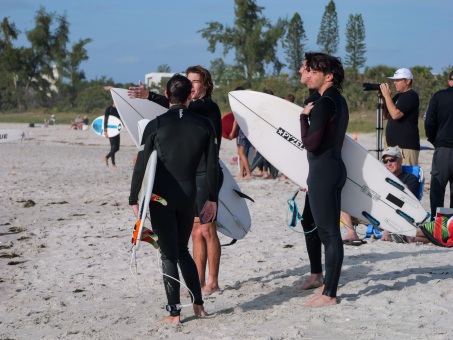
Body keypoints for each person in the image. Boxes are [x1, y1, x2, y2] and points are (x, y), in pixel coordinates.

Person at [129, 74, 219, 323]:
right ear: (191, 94)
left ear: (167, 96)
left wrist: (133, 198)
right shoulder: (204, 125)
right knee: (182, 250)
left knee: (168, 254)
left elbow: (141, 166)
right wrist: (212, 199)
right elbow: (212, 167)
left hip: (161, 198)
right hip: (189, 196)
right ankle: (198, 305)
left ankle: (174, 312)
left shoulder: (155, 125)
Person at [300, 52, 349, 307]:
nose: (308, 76)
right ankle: (326, 289)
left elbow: (310, 143)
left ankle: (329, 293)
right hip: (332, 168)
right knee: (329, 233)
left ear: (328, 76)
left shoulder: (323, 103)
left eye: (314, 72)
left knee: (329, 234)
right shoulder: (338, 100)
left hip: (323, 172)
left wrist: (302, 118)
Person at [424, 70, 453, 220]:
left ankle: (437, 222)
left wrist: (435, 140)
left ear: (449, 81)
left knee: (437, 188)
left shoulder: (439, 96)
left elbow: (429, 122)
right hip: (443, 145)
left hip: (443, 148)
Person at [380, 68, 420, 166]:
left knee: (407, 177)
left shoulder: (411, 95)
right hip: (392, 146)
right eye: (394, 80)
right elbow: (385, 116)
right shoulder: (398, 96)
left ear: (407, 81)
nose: (394, 83)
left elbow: (395, 115)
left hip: (406, 147)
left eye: (398, 80)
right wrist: (383, 99)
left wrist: (388, 96)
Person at [228, 86, 253, 180]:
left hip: (242, 131)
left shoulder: (240, 105)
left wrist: (232, 132)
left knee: (241, 153)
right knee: (242, 153)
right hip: (246, 131)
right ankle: (241, 173)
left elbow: (236, 120)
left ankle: (249, 173)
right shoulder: (247, 104)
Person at [104, 102, 121, 168]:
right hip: (110, 130)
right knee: (113, 147)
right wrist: (105, 131)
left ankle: (107, 157)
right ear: (113, 102)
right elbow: (105, 120)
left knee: (117, 148)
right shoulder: (109, 109)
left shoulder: (119, 109)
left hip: (117, 130)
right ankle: (113, 163)